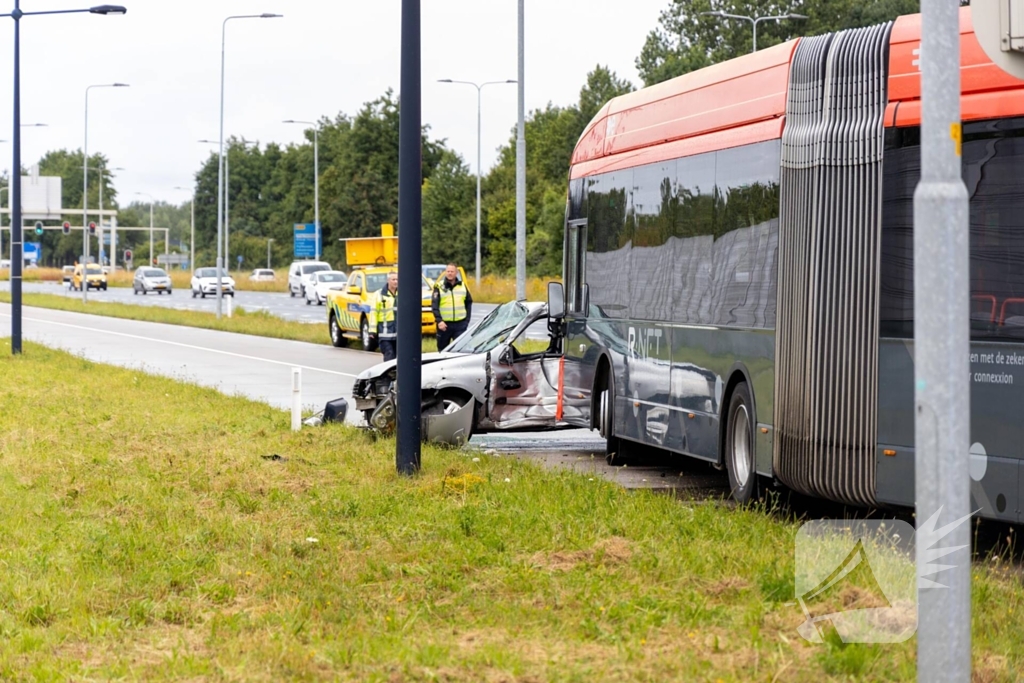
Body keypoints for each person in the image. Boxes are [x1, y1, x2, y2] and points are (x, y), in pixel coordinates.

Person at [432, 262, 472, 352]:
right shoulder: (439, 286)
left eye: (452, 271)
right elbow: (434, 305)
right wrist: (439, 321)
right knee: (442, 350)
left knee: (460, 350)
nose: (450, 273)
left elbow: (469, 303)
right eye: (448, 271)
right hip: (444, 325)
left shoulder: (462, 286)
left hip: (460, 324)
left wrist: (467, 320)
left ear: (456, 272)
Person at [372, 271, 399, 362]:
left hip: (399, 333)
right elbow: (373, 313)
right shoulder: (379, 294)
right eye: (393, 279)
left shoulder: (402, 293)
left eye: (397, 279)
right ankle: (389, 375)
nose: (396, 281)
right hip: (385, 334)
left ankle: (397, 375)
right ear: (388, 280)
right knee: (389, 355)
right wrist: (372, 331)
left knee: (399, 358)